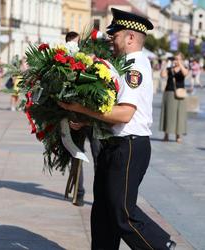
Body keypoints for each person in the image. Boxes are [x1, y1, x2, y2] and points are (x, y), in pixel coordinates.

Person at [59, 8, 176, 250]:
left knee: (122, 213)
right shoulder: (122, 64)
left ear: (131, 38)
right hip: (116, 145)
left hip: (130, 146)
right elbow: (113, 110)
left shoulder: (135, 69)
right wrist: (88, 121)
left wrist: (81, 108)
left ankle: (161, 246)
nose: (111, 39)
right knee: (103, 213)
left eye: (116, 34)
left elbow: (125, 114)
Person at [65, 31, 102, 206]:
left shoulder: (96, 65)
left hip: (92, 119)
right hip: (75, 118)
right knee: (78, 155)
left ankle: (99, 196)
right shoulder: (66, 65)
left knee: (97, 157)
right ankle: (79, 194)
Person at [160, 52, 188, 143]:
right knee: (168, 114)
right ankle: (166, 134)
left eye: (178, 58)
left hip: (180, 94)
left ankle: (178, 136)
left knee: (179, 115)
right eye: (175, 59)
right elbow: (163, 75)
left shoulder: (184, 68)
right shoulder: (170, 68)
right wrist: (166, 64)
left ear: (182, 59)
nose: (176, 60)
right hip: (169, 92)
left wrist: (180, 64)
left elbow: (185, 73)